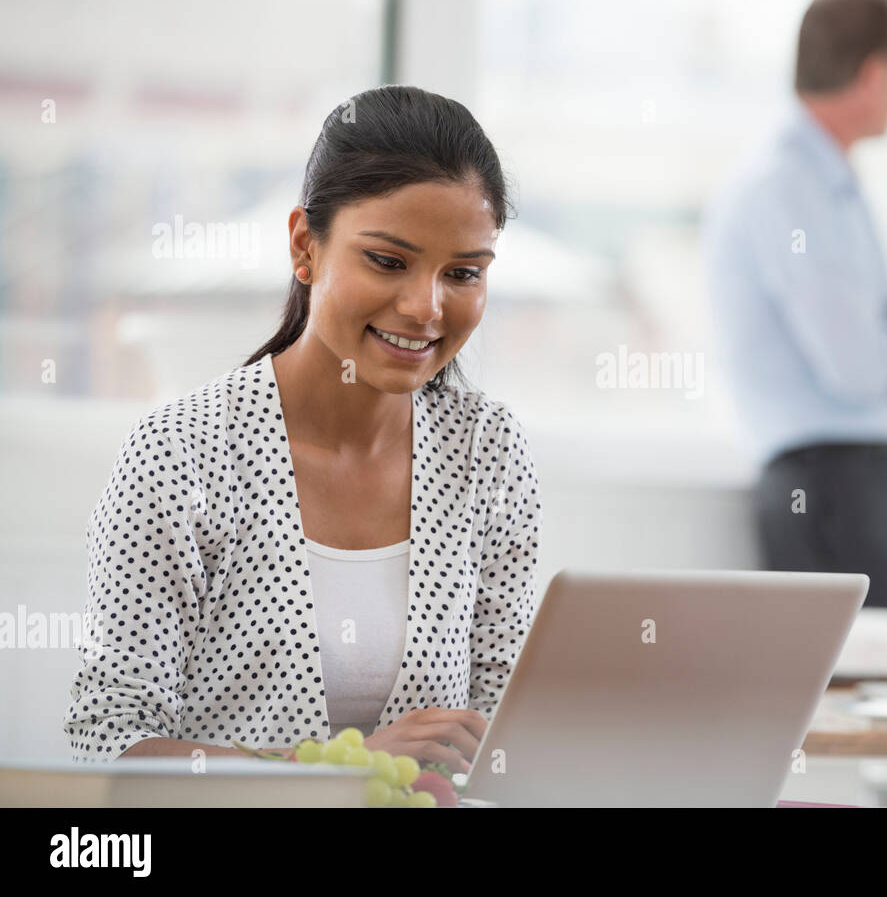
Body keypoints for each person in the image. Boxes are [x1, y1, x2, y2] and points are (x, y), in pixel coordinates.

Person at [64, 86, 543, 767]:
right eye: (387, 260)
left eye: (463, 273)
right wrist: (328, 773)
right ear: (304, 247)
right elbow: (105, 740)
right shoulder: (181, 453)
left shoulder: (487, 451)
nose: (425, 307)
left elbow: (502, 732)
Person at [702, 0, 887, 609]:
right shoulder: (793, 189)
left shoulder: (825, 183)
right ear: (872, 73)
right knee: (864, 698)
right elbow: (859, 367)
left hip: (852, 486)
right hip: (840, 492)